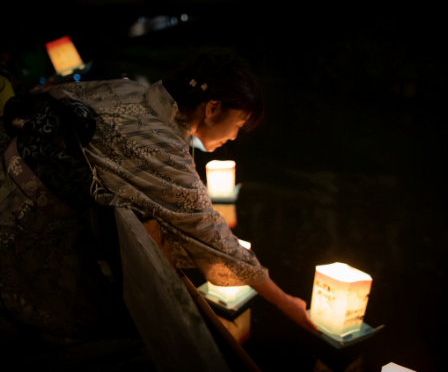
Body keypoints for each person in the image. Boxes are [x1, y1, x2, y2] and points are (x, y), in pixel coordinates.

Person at [0, 53, 316, 354]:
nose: (234, 136)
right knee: (118, 325)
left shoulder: (129, 89)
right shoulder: (161, 144)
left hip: (7, 178)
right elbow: (214, 237)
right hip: (21, 226)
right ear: (212, 108)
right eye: (239, 122)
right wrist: (286, 302)